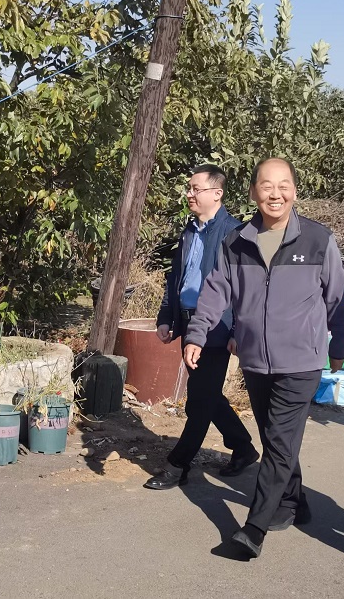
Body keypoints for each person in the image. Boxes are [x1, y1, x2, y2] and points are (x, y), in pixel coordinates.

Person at [182, 157, 344, 558]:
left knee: (278, 441)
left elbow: (338, 298)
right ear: (253, 191)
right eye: (266, 185)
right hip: (255, 360)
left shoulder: (317, 239)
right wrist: (197, 333)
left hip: (302, 362)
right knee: (277, 438)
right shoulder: (237, 240)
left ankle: (254, 528)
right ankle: (295, 502)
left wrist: (339, 347)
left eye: (283, 185)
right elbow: (216, 291)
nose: (275, 194)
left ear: (294, 190)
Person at [144, 165, 259, 490]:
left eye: (196, 188)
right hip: (188, 321)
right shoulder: (190, 230)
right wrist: (166, 316)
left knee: (199, 400)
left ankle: (177, 464)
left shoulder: (235, 233)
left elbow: (245, 290)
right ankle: (243, 447)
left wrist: (236, 331)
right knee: (206, 394)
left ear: (217, 193)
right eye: (189, 188)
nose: (189, 194)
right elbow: (176, 278)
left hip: (217, 325)